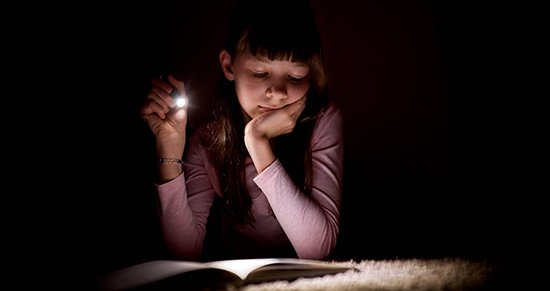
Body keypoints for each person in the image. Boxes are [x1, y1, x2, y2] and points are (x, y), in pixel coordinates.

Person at [140, 0, 343, 261]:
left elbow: (318, 249)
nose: (278, 92)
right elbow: (183, 253)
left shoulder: (322, 120)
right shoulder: (206, 143)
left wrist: (258, 141)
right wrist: (168, 147)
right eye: (260, 73)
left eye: (295, 77)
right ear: (228, 66)